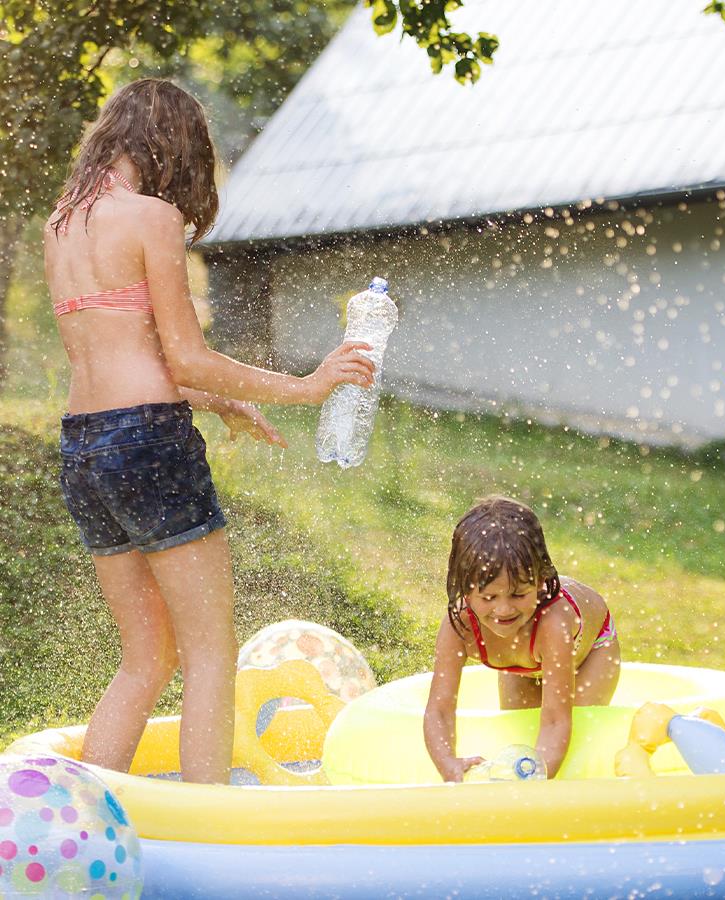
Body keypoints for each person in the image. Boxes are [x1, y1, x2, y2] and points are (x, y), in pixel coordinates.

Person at [44, 79, 376, 784]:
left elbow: (117, 360)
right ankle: (208, 824)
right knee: (208, 651)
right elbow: (183, 356)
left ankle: (78, 809)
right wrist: (305, 387)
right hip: (149, 444)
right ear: (172, 147)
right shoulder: (151, 218)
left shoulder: (62, 225)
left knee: (145, 657)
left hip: (83, 447)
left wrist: (212, 401)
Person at [424, 496, 620, 780]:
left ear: (540, 582)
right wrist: (448, 765)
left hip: (590, 650)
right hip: (524, 663)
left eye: (518, 594)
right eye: (488, 597)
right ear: (465, 590)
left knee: (576, 740)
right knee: (521, 737)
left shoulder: (553, 624)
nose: (503, 610)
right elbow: (439, 710)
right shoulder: (460, 625)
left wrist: (535, 783)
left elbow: (555, 721)